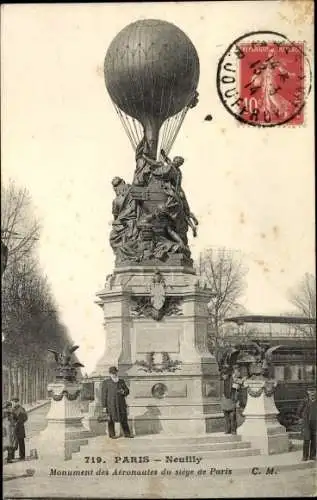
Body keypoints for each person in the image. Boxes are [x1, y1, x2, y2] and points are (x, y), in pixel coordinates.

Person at [104, 367, 132, 439]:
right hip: (111, 404)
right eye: (112, 373)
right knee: (111, 419)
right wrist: (104, 406)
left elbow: (127, 391)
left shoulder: (121, 381)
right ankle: (112, 434)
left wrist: (123, 392)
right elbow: (104, 395)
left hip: (121, 403)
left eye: (115, 373)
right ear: (110, 373)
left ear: (117, 372)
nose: (114, 374)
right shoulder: (106, 382)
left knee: (123, 418)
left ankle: (127, 434)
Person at [297, 389, 317, 461]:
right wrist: (301, 418)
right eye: (310, 391)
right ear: (308, 393)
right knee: (307, 439)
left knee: (314, 440)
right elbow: (299, 410)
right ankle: (305, 456)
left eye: (314, 391)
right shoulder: (305, 401)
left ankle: (313, 456)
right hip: (306, 423)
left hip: (315, 423)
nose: (312, 393)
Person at [220, 367, 237, 435]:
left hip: (231, 400)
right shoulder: (221, 382)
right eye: (222, 374)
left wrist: (236, 400)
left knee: (232, 416)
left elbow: (236, 391)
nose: (223, 376)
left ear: (228, 374)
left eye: (225, 374)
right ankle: (227, 429)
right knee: (226, 417)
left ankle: (233, 430)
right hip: (224, 400)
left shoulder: (232, 381)